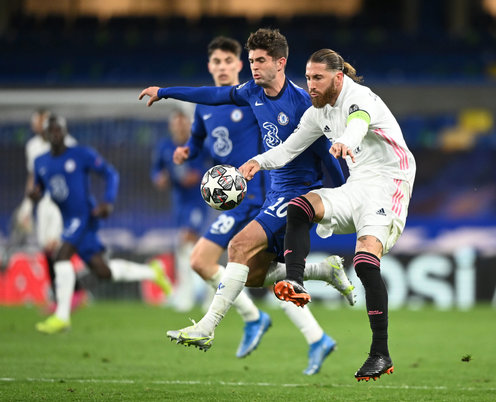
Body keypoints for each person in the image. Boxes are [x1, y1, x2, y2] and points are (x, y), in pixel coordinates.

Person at [139, 30, 354, 375]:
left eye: (259, 61)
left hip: (294, 197)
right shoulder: (251, 92)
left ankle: (206, 328)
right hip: (272, 193)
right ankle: (323, 272)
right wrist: (164, 92)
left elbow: (326, 156)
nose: (253, 67)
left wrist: (346, 193)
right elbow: (212, 95)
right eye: (251, 61)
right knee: (253, 276)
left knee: (236, 248)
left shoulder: (303, 105)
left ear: (281, 63)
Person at [239, 49, 416, 382]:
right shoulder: (317, 111)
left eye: (317, 78)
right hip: (359, 182)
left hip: (390, 181)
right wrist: (258, 162)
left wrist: (346, 141)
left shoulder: (358, 96)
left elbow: (358, 122)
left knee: (364, 261)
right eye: (307, 78)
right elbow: (289, 148)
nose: (311, 85)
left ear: (338, 77)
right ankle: (294, 280)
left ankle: (380, 353)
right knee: (299, 207)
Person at [30, 115, 172, 334]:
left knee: (61, 255)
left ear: (65, 132)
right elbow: (40, 190)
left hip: (84, 215)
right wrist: (34, 195)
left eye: (60, 129)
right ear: (45, 134)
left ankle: (61, 316)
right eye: (52, 130)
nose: (56, 134)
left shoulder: (80, 154)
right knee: (102, 271)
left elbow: (110, 173)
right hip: (68, 219)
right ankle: (152, 272)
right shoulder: (40, 161)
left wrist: (108, 201)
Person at [15, 108, 86, 312]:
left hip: (62, 202)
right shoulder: (33, 147)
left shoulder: (69, 144)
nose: (39, 125)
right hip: (43, 203)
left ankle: (71, 295)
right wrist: (26, 207)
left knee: (56, 247)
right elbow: (33, 179)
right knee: (47, 248)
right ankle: (64, 295)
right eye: (37, 121)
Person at [151, 108, 209, 312]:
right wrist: (159, 178)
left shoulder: (197, 145)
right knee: (189, 247)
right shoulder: (165, 146)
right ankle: (205, 292)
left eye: (184, 123)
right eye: (177, 123)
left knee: (186, 242)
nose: (180, 127)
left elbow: (205, 169)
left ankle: (188, 295)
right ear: (171, 126)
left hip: (197, 201)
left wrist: (196, 177)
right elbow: (156, 169)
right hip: (178, 202)